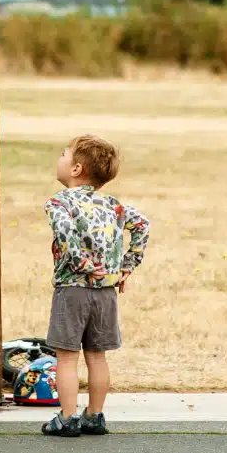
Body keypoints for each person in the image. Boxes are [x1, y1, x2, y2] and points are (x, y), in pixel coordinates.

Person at [40, 135, 150, 437]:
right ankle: (95, 414)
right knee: (97, 355)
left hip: (71, 290)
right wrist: (126, 266)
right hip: (106, 293)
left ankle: (68, 417)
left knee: (66, 356)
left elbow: (65, 236)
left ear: (76, 168)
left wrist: (83, 265)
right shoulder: (114, 206)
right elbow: (143, 225)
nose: (59, 159)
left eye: (63, 154)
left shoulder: (58, 203)